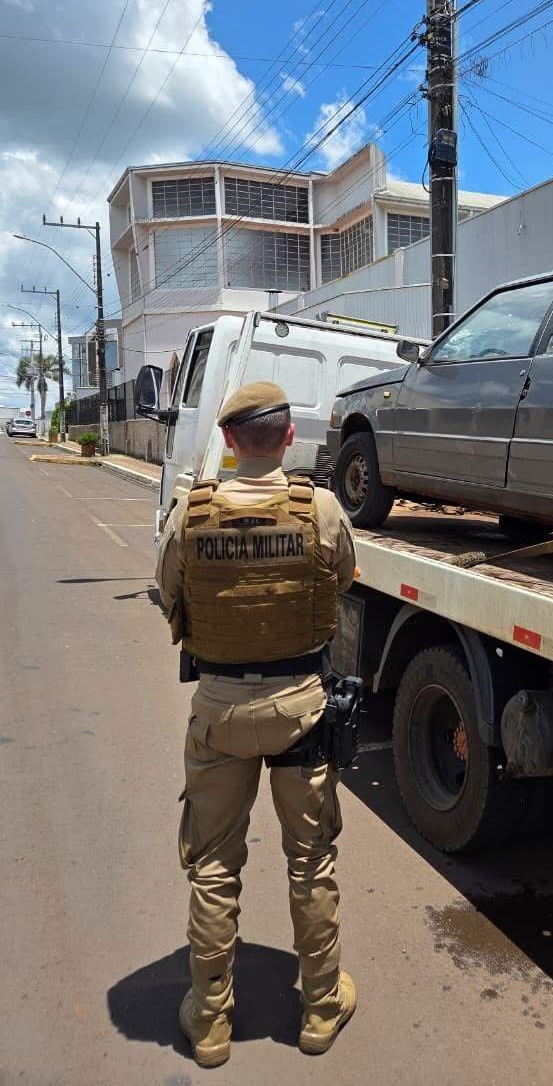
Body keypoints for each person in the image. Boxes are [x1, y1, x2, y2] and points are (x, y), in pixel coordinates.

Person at [156, 380, 357, 1068]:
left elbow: (169, 595)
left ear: (230, 440)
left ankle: (210, 1022)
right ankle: (321, 1010)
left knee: (213, 864)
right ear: (289, 438)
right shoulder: (319, 509)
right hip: (301, 707)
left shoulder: (191, 510)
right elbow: (345, 579)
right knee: (311, 860)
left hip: (218, 711)